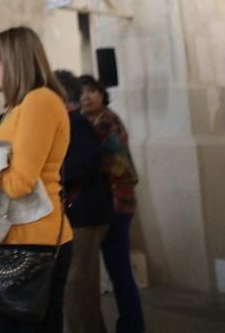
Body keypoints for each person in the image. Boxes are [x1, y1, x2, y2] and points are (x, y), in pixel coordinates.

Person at [0, 27, 73, 333]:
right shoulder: (20, 106)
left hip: (35, 239)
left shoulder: (40, 101)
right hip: (17, 237)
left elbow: (19, 182)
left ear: (12, 60)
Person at [79, 74, 145, 333]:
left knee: (119, 272)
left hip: (117, 204)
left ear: (101, 94)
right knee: (115, 272)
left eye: (92, 91)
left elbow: (117, 165)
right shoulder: (88, 121)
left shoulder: (106, 121)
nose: (86, 97)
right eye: (82, 93)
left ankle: (131, 326)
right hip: (107, 203)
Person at [53, 70, 110, 333]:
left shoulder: (76, 124)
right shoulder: (72, 122)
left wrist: (50, 171)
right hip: (81, 217)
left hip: (84, 219)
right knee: (80, 293)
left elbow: (84, 164)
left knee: (78, 293)